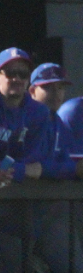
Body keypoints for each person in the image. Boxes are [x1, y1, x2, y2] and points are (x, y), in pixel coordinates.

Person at [0, 48, 54, 183]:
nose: (17, 79)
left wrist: (11, 170)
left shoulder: (39, 112)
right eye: (11, 72)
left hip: (17, 189)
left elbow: (31, 162)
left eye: (23, 74)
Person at [27, 64, 83, 180]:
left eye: (60, 87)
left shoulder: (58, 122)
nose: (56, 92)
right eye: (48, 87)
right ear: (32, 91)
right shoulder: (25, 119)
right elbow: (30, 166)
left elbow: (66, 162)